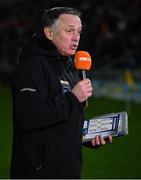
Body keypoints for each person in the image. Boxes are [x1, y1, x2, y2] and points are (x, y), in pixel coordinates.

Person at [10, 7, 112, 179]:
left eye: (78, 31)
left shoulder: (68, 67)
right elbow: (29, 116)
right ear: (49, 33)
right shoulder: (32, 67)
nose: (76, 37)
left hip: (69, 172)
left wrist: (90, 135)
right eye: (69, 30)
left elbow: (63, 120)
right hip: (39, 173)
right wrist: (73, 97)